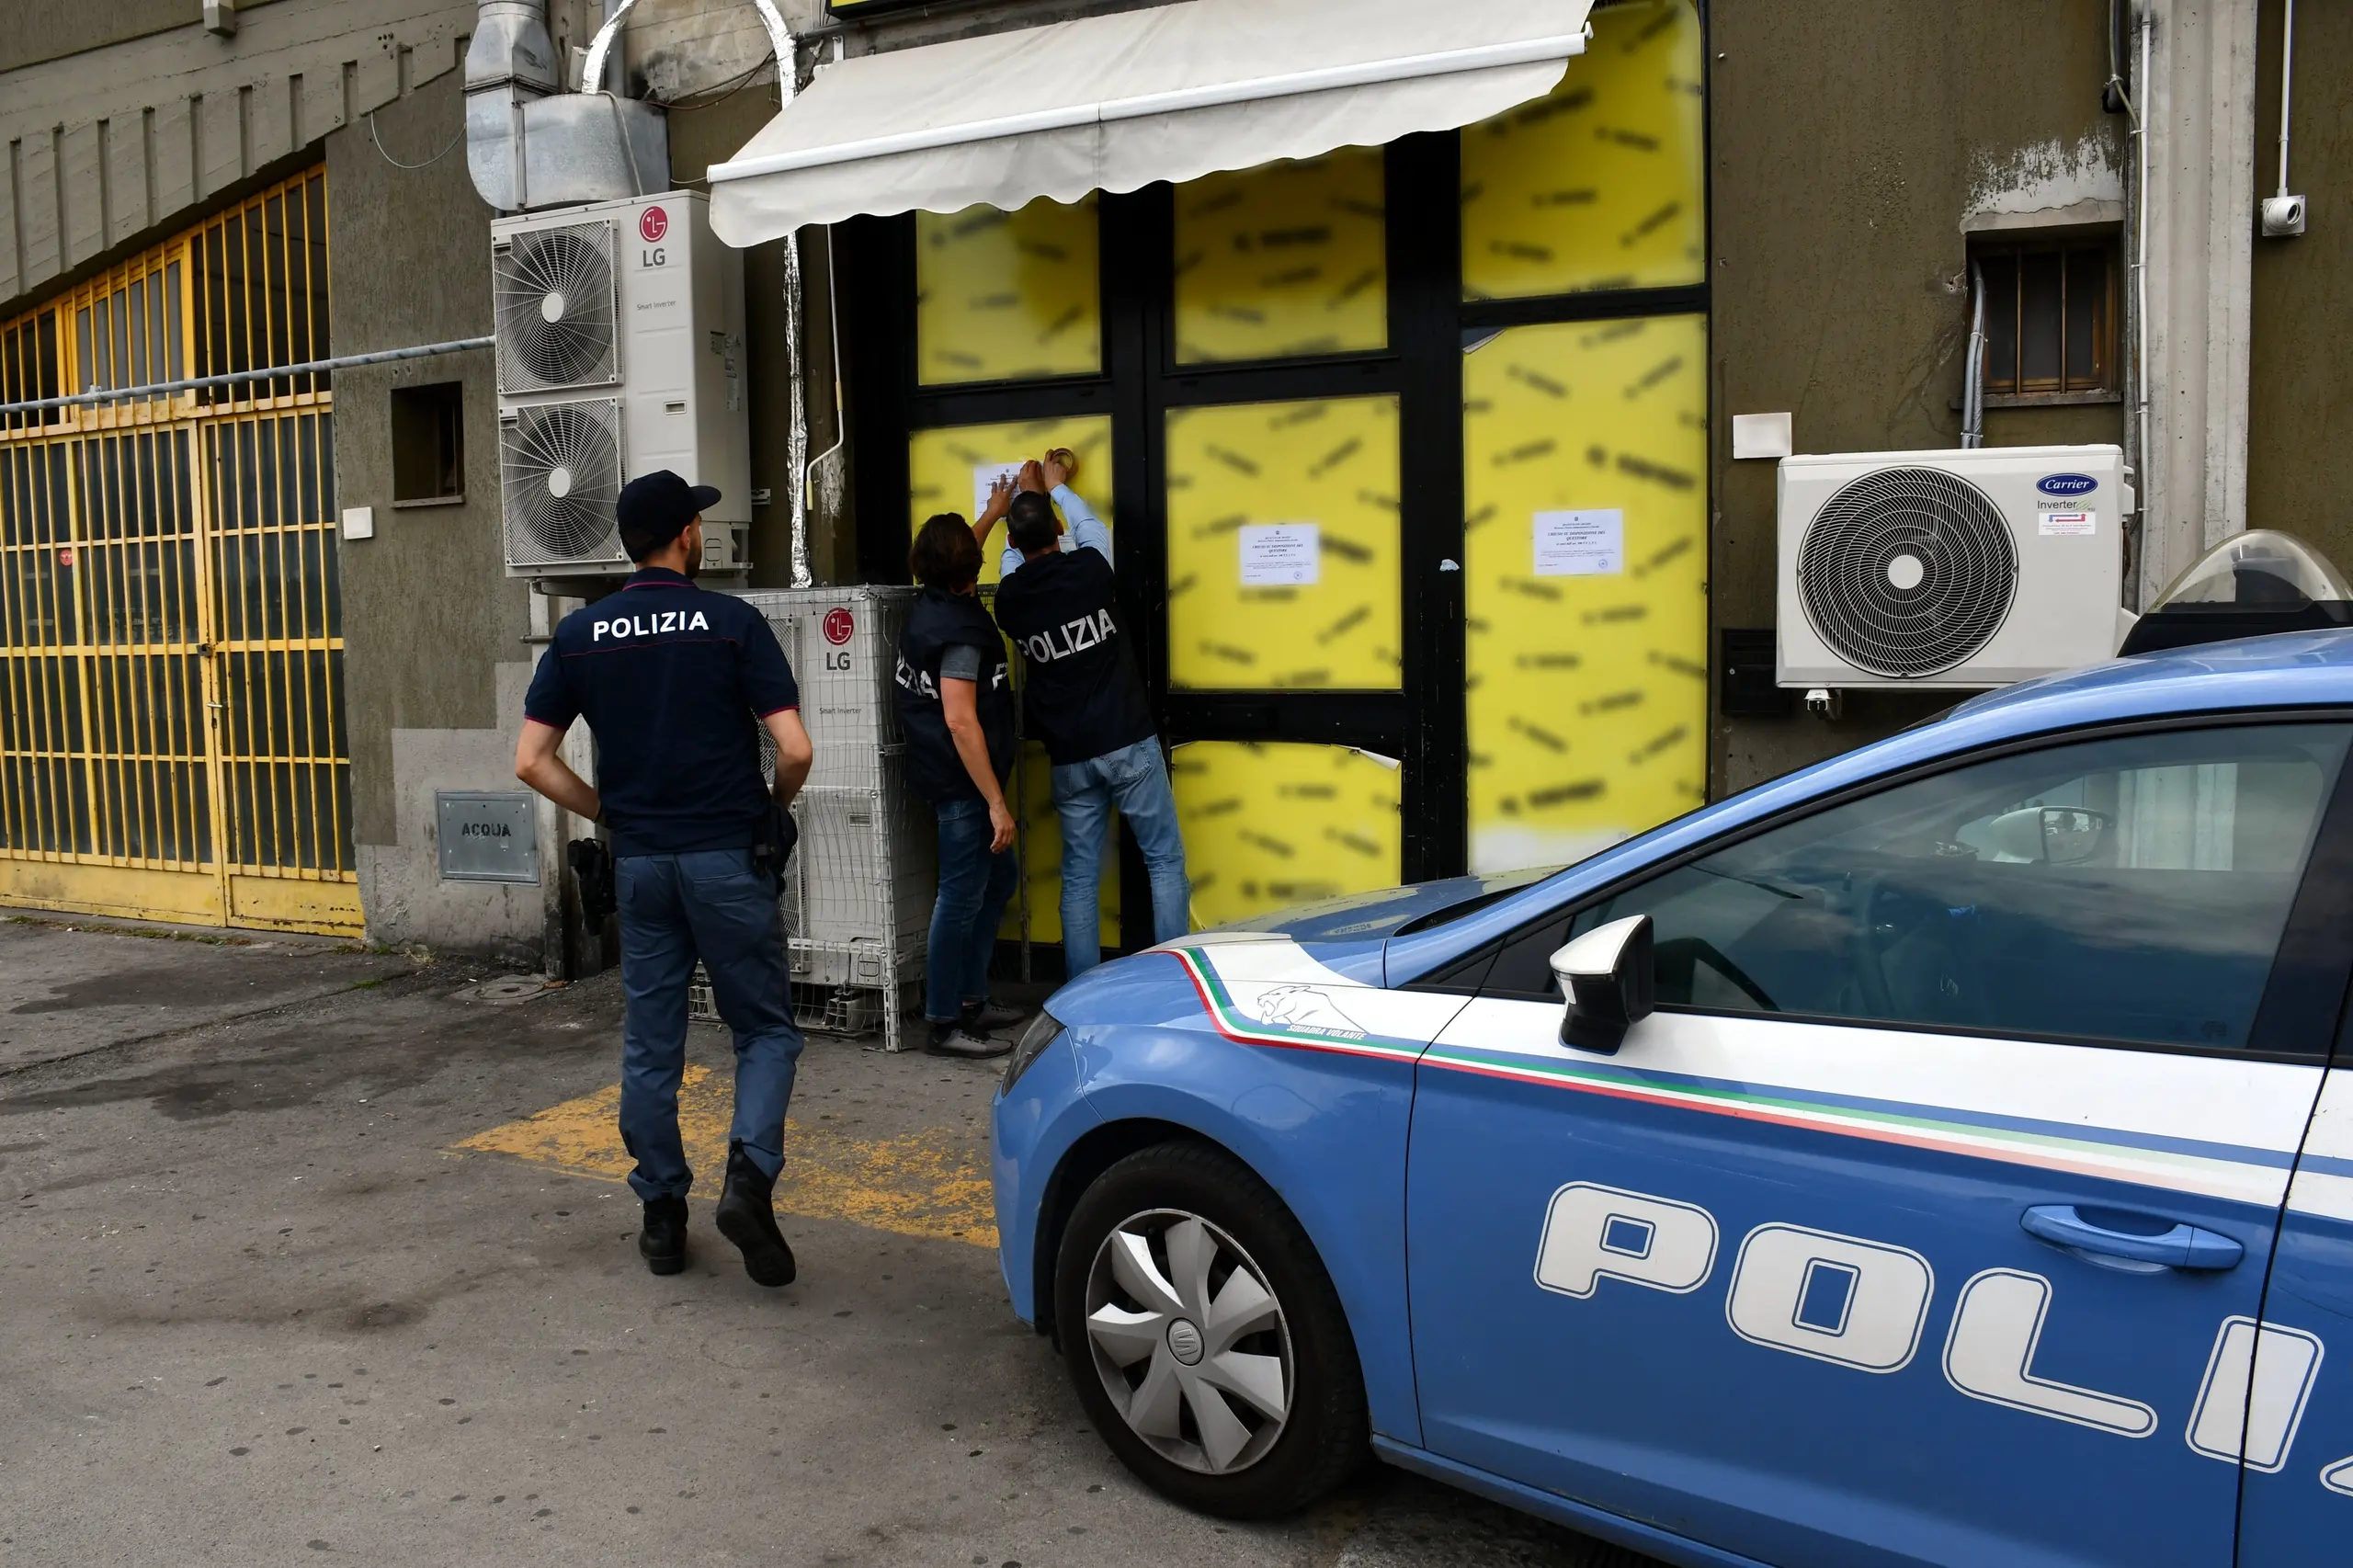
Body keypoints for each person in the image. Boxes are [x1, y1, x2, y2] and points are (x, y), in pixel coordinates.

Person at [513, 470, 813, 1288]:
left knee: (652, 1046)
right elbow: (795, 751)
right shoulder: (730, 624)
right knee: (764, 1031)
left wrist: (608, 812)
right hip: (725, 859)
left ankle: (661, 1217)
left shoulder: (580, 637)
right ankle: (748, 1177)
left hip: (640, 864)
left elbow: (530, 762)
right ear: (687, 535)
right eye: (699, 522)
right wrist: (769, 810)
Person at [989, 449, 1188, 977]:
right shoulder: (1092, 568)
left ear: (1012, 541)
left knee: (1079, 878)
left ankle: (1079, 997)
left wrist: (1018, 498)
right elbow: (1091, 525)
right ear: (1057, 529)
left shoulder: (1010, 602)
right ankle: (1174, 985)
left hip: (1071, 757)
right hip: (1127, 741)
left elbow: (1011, 565)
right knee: (1163, 861)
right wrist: (1055, 486)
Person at [894, 506, 1025, 1059]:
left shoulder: (934, 601)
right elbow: (960, 719)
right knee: (961, 896)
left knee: (997, 882)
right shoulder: (962, 635)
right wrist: (997, 803)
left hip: (950, 778)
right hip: (964, 787)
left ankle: (971, 997)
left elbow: (955, 554)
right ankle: (945, 1020)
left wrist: (993, 512)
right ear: (970, 572)